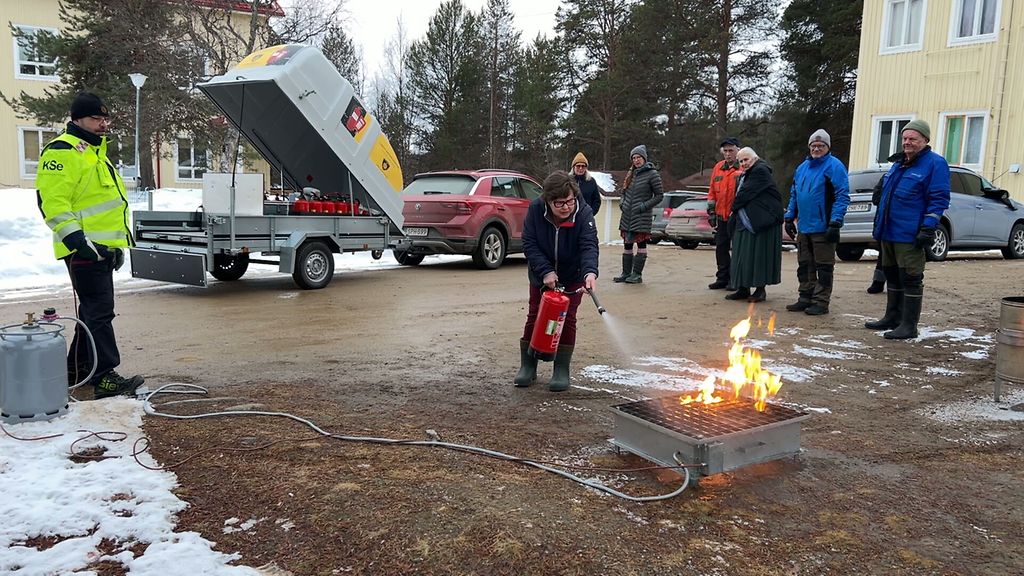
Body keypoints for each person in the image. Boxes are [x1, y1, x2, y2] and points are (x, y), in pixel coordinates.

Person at [36, 92, 145, 399]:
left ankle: (77, 369)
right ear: (77, 119)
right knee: (99, 312)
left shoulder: (95, 153)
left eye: (105, 118)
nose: (103, 124)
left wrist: (117, 246)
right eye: (96, 118)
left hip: (101, 248)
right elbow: (53, 203)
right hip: (84, 249)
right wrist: (78, 241)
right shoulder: (62, 151)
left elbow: (106, 205)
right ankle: (104, 376)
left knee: (90, 312)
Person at [865, 119, 950, 340]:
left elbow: (939, 198)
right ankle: (892, 317)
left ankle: (909, 325)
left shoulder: (935, 164)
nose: (907, 142)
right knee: (892, 275)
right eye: (904, 138)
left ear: (925, 140)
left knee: (911, 277)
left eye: (913, 138)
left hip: (910, 233)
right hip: (888, 231)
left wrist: (928, 227)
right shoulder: (898, 164)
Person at [514, 171, 599, 392]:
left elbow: (589, 245)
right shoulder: (535, 209)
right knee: (535, 314)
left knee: (567, 318)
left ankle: (561, 369)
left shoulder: (584, 213)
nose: (566, 207)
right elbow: (529, 243)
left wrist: (590, 273)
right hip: (541, 272)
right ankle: (528, 366)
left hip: (573, 274)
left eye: (569, 201)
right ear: (548, 200)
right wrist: (545, 271)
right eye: (559, 203)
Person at [783, 129, 851, 315]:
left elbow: (842, 196)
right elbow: (795, 193)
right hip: (804, 226)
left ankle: (821, 301)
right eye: (814, 145)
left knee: (824, 266)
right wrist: (789, 217)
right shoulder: (802, 168)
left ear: (827, 147)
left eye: (821, 146)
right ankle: (805, 296)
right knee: (805, 265)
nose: (817, 149)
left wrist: (835, 222)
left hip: (824, 226)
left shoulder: (834, 167)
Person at [725, 147, 784, 302]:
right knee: (742, 256)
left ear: (755, 158)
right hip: (747, 219)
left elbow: (745, 194)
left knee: (758, 256)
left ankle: (759, 290)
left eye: (746, 160)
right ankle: (743, 288)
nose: (743, 163)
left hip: (761, 221)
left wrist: (733, 209)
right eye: (741, 161)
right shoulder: (746, 175)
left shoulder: (760, 171)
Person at [614, 145, 663, 284]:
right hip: (627, 216)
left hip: (642, 216)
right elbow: (624, 192)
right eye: (634, 158)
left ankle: (637, 274)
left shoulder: (652, 174)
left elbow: (659, 196)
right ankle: (626, 273)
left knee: (641, 244)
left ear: (644, 158)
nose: (636, 160)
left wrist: (643, 206)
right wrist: (622, 203)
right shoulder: (631, 174)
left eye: (638, 157)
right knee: (627, 245)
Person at [707, 137, 743, 290]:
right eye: (725, 151)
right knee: (721, 248)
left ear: (738, 151)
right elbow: (712, 191)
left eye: (731, 151)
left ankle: (735, 279)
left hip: (737, 217)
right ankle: (722, 277)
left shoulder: (743, 167)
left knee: (737, 250)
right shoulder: (718, 167)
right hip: (721, 216)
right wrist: (711, 211)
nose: (728, 154)